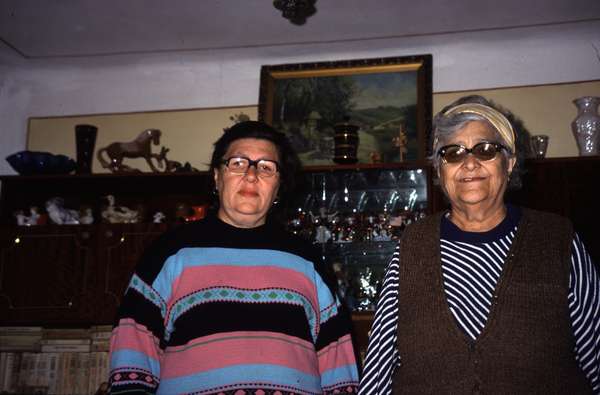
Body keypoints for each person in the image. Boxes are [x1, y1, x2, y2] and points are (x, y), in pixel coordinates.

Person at [359, 96, 600, 394]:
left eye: (486, 150)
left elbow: (595, 355)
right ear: (439, 170)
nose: (469, 163)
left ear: (509, 163)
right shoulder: (411, 247)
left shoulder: (558, 239)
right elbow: (379, 364)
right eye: (453, 153)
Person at [108, 121, 359, 394]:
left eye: (266, 167)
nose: (251, 175)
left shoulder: (308, 260)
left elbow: (339, 363)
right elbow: (132, 351)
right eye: (238, 163)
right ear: (217, 177)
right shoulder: (168, 253)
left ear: (278, 187)